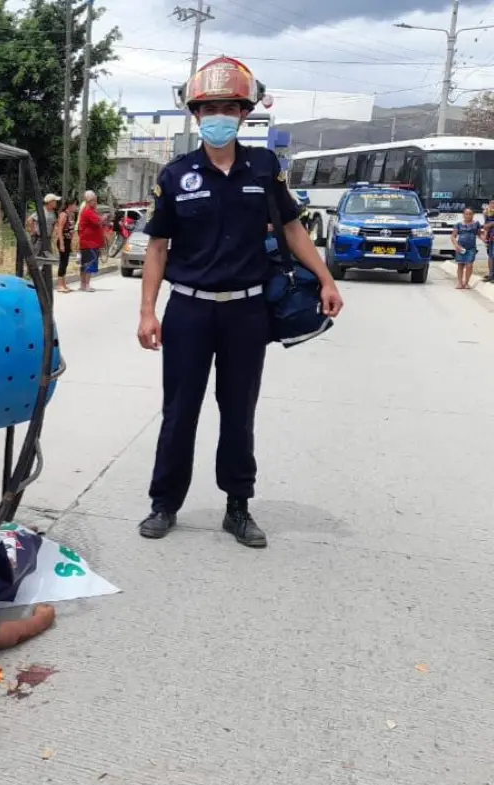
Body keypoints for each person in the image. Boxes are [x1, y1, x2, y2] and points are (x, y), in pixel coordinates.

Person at [135, 56, 344, 549]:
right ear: (195, 114)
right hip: (187, 310)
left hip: (246, 313)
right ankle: (164, 504)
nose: (219, 116)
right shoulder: (175, 175)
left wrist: (326, 278)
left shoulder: (265, 168)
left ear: (245, 113)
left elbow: (292, 228)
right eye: (210, 108)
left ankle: (238, 507)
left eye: (230, 107)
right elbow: (158, 247)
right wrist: (147, 310)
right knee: (179, 410)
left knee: (238, 410)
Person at [78, 190, 106, 291]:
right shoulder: (88, 211)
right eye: (95, 200)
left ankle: (83, 284)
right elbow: (98, 221)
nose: (96, 202)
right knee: (89, 263)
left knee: (85, 264)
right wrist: (104, 217)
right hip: (89, 243)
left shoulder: (90, 210)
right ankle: (87, 285)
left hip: (89, 242)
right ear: (91, 200)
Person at [53, 198, 78, 292]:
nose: (76, 207)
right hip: (62, 240)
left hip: (67, 241)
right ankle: (59, 285)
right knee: (62, 262)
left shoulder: (72, 215)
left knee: (66, 263)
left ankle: (64, 284)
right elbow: (60, 229)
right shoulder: (64, 214)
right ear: (70, 205)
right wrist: (62, 243)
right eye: (75, 205)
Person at [453, 208, 480, 289]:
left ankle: (467, 282)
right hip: (461, 247)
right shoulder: (458, 224)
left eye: (470, 214)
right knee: (460, 265)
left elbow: (479, 234)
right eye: (466, 214)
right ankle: (460, 283)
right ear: (463, 215)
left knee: (469, 265)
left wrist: (485, 239)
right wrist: (456, 246)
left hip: (471, 248)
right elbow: (453, 236)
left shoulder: (476, 224)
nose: (468, 215)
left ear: (473, 215)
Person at [480, 201, 494, 283]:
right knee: (491, 256)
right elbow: (485, 226)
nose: (492, 205)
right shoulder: (487, 214)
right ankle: (491, 275)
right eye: (491, 204)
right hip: (490, 238)